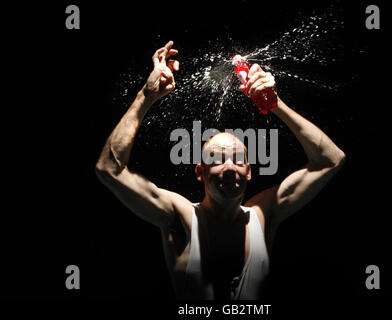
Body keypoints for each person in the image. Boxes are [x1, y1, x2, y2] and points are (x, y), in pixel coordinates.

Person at [95, 41, 345, 300]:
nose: (228, 168)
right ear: (200, 172)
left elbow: (331, 159)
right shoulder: (178, 216)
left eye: (237, 160)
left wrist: (274, 103)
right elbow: (108, 169)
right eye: (216, 159)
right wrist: (145, 97)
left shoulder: (263, 214)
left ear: (249, 172)